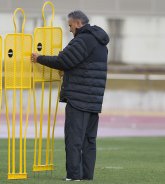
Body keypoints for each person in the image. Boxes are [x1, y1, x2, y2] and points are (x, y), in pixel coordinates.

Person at [31, 10, 109, 181]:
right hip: (94, 99)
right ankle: (87, 175)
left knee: (74, 139)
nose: (69, 29)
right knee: (89, 140)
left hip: (79, 98)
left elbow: (63, 60)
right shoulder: (100, 41)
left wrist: (39, 58)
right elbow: (82, 65)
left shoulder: (84, 40)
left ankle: (74, 175)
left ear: (78, 23)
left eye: (70, 25)